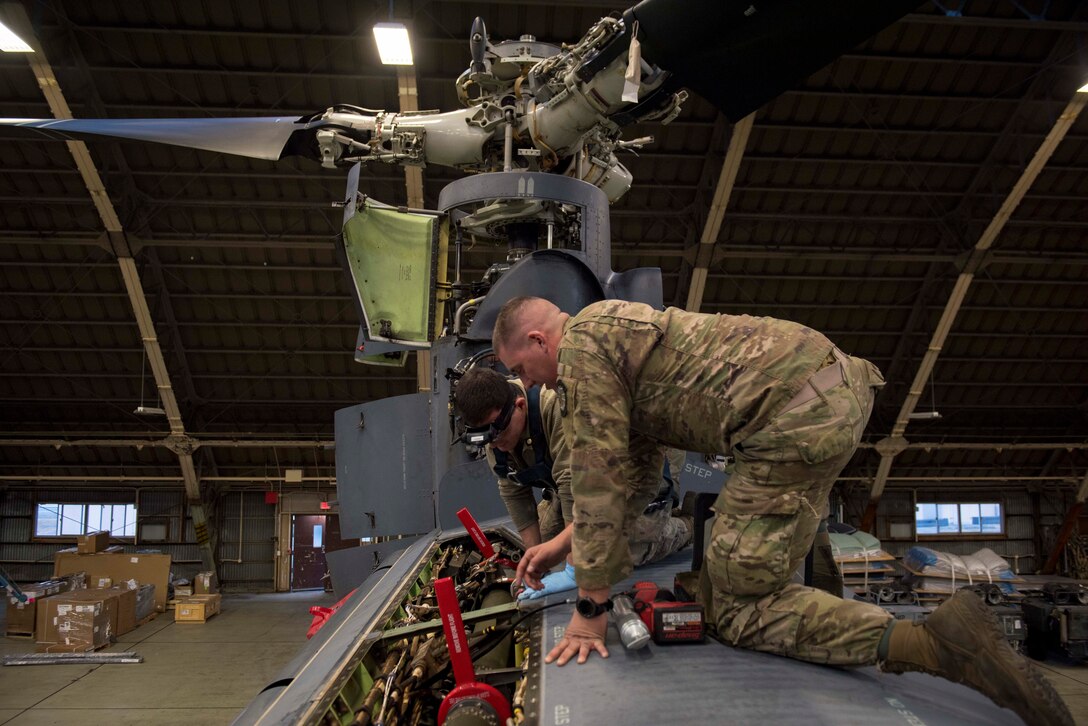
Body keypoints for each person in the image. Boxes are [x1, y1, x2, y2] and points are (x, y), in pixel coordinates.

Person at [493, 296, 1072, 726]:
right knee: (723, 590)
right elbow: (633, 477)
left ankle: (938, 646)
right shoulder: (612, 331)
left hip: (787, 424)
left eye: (521, 368)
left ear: (542, 341)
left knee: (740, 610)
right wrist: (566, 543)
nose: (527, 382)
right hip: (827, 394)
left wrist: (591, 608)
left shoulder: (583, 353)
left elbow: (595, 482)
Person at [454, 367, 693, 599]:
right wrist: (534, 562)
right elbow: (513, 490)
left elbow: (572, 485)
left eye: (497, 434)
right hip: (583, 489)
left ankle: (688, 524)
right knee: (549, 546)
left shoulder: (556, 408)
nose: (493, 445)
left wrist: (573, 568)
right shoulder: (496, 432)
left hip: (637, 476)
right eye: (486, 439)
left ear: (519, 406)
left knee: (617, 552)